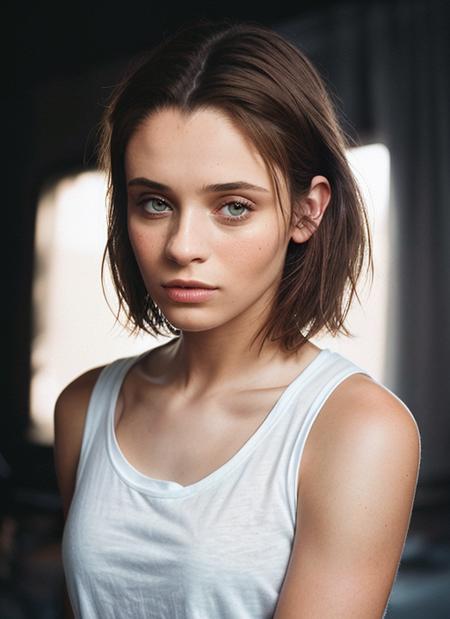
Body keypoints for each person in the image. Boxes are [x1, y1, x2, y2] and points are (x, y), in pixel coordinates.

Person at [53, 18, 421, 619]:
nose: (181, 246)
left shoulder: (357, 429)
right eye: (155, 202)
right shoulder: (85, 406)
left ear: (307, 212)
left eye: (232, 206)